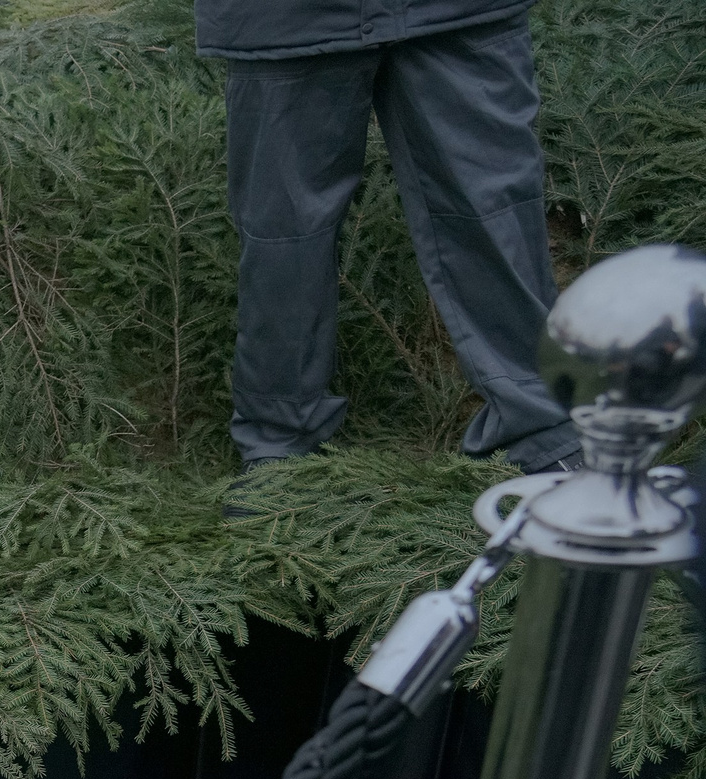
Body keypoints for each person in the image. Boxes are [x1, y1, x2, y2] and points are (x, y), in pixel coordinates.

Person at [200, 0, 583, 506]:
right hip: (282, 19)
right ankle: (278, 450)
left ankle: (543, 432)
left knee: (494, 212)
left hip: (461, 13)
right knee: (284, 238)